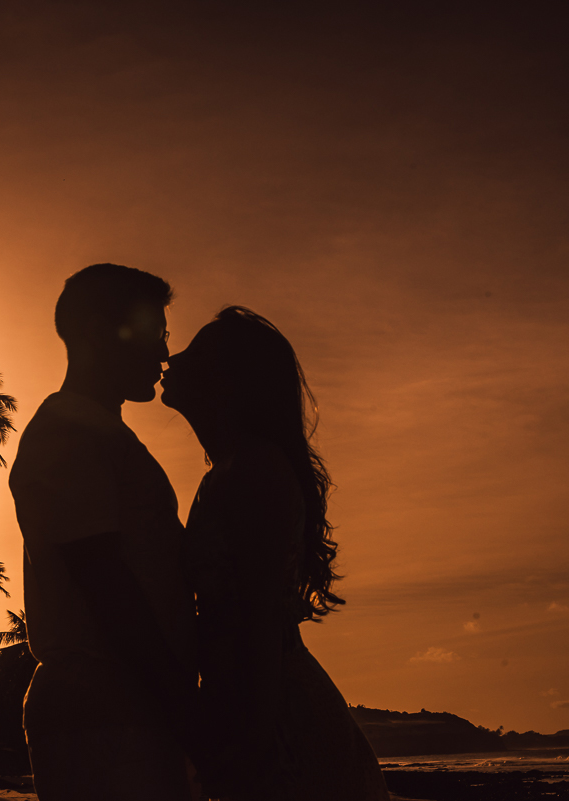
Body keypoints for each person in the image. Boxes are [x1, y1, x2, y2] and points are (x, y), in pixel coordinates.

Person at [160, 306, 389, 801]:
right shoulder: (230, 471)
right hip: (254, 703)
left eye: (194, 354)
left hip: (276, 715)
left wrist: (257, 744)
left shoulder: (255, 471)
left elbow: (261, 619)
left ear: (228, 383)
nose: (171, 359)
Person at [9, 263, 199, 801]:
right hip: (108, 712)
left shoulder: (97, 432)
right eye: (153, 333)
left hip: (127, 705)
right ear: (97, 332)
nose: (163, 353)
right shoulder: (68, 434)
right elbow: (104, 580)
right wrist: (181, 701)